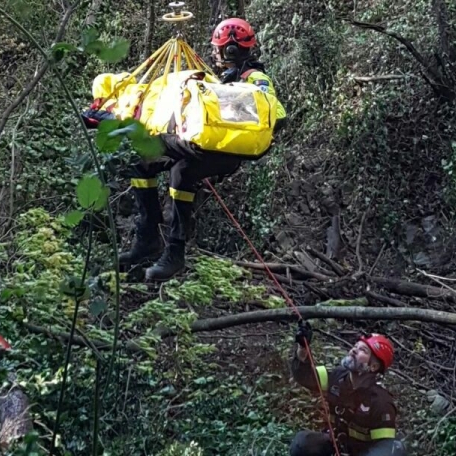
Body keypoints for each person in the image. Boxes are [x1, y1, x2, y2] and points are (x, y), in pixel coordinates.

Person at [119, 17, 288, 281]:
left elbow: (278, 114)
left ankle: (171, 251)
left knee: (151, 152)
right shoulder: (224, 78)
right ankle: (150, 238)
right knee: (162, 168)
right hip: (210, 147)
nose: (215, 53)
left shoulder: (255, 78)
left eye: (217, 49)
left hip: (225, 151)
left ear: (228, 50)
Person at [288, 322, 408, 456]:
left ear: (373, 367)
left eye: (363, 350)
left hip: (364, 453)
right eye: (355, 346)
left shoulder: (381, 402)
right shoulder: (337, 376)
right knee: (302, 443)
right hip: (337, 446)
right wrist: (303, 348)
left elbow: (386, 446)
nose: (354, 350)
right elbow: (305, 376)